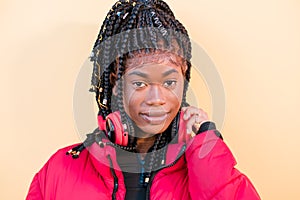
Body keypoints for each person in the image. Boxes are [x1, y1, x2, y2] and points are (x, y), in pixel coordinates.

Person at [26, 0, 260, 199]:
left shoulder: (208, 168)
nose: (157, 99)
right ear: (117, 84)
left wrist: (207, 154)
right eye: (140, 83)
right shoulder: (57, 172)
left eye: (169, 83)